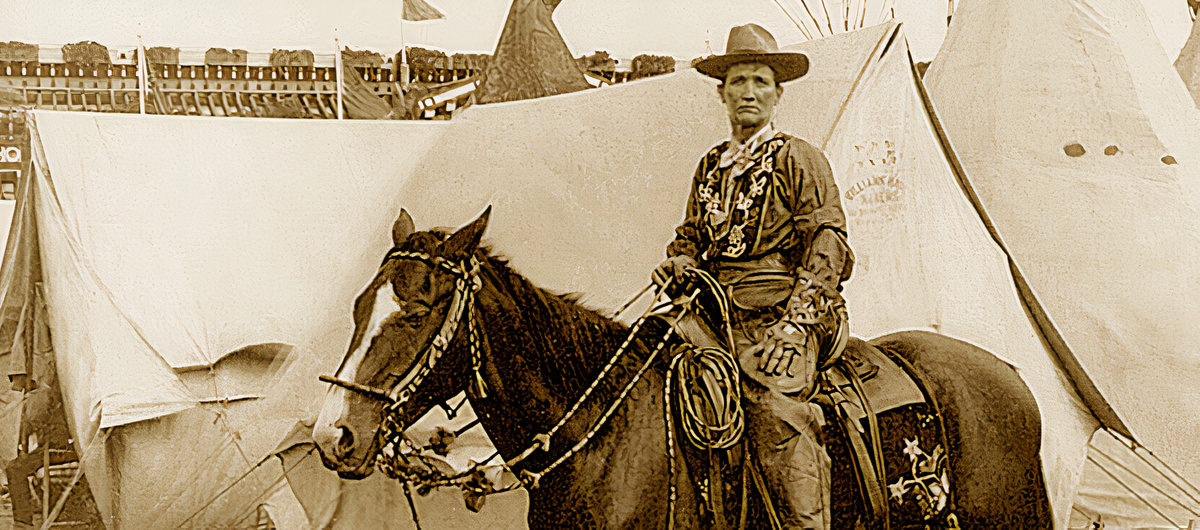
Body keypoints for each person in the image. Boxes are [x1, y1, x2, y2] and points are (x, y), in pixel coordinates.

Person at [653, 23, 853, 529]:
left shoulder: (798, 158)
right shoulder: (711, 166)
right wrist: (680, 262)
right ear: (721, 93)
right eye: (738, 81)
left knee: (773, 413)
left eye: (760, 81)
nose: (748, 92)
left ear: (778, 93)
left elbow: (828, 246)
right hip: (714, 316)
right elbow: (692, 236)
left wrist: (794, 326)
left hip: (785, 315)